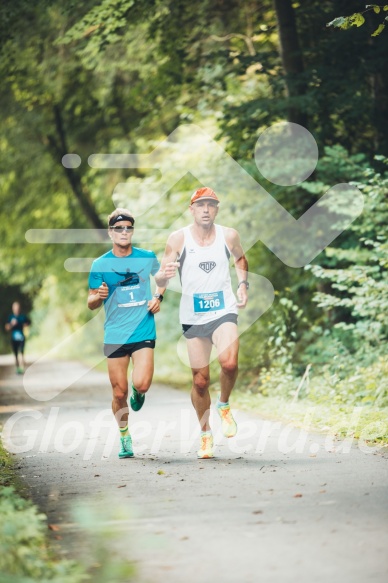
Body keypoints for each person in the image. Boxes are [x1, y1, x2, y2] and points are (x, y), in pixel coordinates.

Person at [155, 187, 249, 459]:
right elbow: (163, 278)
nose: (206, 209)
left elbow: (240, 257)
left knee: (229, 363)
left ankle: (224, 404)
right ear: (192, 209)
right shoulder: (178, 239)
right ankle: (206, 434)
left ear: (217, 209)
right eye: (201, 205)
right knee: (199, 381)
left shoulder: (228, 235)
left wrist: (243, 284)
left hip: (223, 311)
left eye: (211, 205)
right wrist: (162, 279)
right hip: (193, 317)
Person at [88, 208, 165, 459]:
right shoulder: (100, 265)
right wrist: (96, 297)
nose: (124, 232)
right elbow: (91, 301)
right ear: (111, 233)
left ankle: (139, 392)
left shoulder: (146, 257)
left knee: (141, 383)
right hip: (115, 334)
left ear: (132, 231)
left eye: (128, 227)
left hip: (143, 328)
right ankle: (124, 437)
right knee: (118, 392)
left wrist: (157, 296)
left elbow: (161, 277)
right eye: (119, 228)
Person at [5, 302, 31, 374]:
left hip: (21, 337)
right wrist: (11, 324)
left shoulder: (22, 317)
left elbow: (28, 323)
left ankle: (22, 368)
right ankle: (17, 368)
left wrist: (24, 325)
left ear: (19, 308)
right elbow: (7, 327)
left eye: (17, 307)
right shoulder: (11, 317)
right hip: (14, 338)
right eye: (15, 308)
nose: (16, 309)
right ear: (13, 309)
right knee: (16, 354)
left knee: (21, 352)